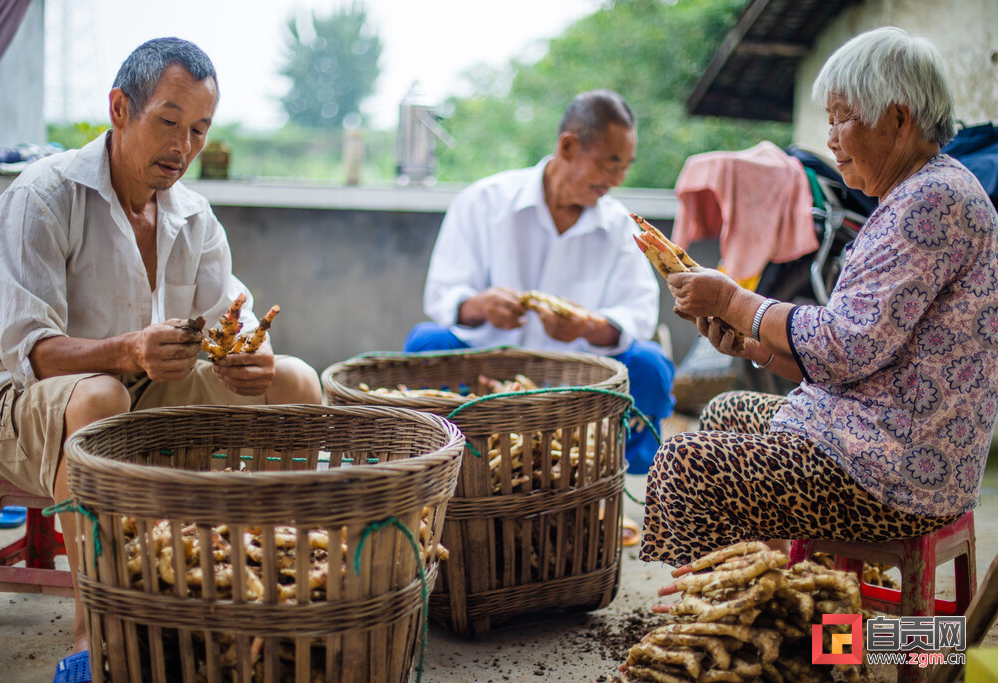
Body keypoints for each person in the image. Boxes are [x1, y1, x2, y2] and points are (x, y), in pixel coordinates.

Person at [0, 37, 322, 680]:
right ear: (119, 109)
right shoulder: (43, 196)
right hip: (18, 403)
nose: (183, 146)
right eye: (168, 121)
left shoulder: (194, 216)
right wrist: (129, 349)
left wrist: (253, 356)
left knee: (296, 381)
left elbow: (234, 315)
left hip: (138, 394)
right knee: (101, 395)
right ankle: (94, 639)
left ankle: (281, 593)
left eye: (199, 130)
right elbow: (31, 350)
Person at [639, 26, 998, 569]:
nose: (829, 138)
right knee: (724, 411)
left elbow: (845, 347)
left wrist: (735, 303)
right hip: (873, 437)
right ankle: (770, 588)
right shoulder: (917, 192)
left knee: (683, 462)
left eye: (840, 117)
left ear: (899, 119)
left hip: (894, 471)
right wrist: (758, 348)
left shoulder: (933, 203)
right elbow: (857, 356)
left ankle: (737, 609)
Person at [404, 89, 675, 475]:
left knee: (649, 365)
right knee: (425, 343)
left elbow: (638, 316)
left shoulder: (619, 227)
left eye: (626, 166)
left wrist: (587, 326)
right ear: (568, 147)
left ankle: (619, 478)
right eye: (611, 163)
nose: (618, 179)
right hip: (487, 368)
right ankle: (446, 466)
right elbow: (443, 295)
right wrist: (480, 306)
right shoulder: (482, 201)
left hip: (582, 379)